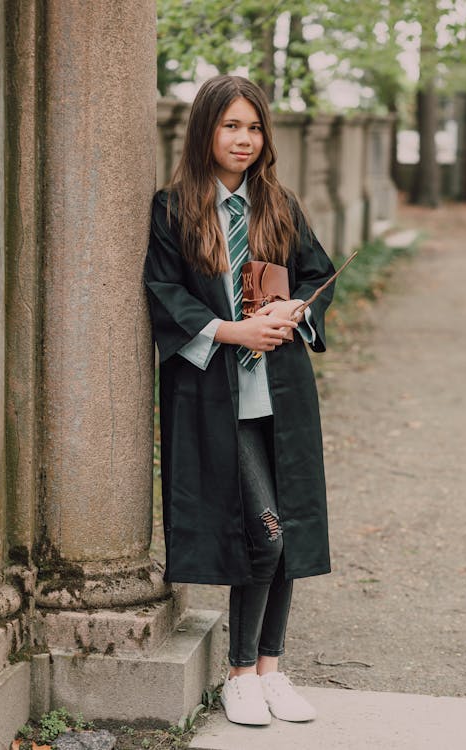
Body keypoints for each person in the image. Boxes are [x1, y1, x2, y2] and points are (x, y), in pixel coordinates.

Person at [144, 75, 335, 726]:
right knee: (267, 535)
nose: (244, 139)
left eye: (254, 127)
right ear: (205, 131)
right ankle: (237, 674)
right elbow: (163, 291)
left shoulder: (276, 205)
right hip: (214, 394)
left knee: (289, 528)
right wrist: (232, 329)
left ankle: (270, 670)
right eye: (231, 126)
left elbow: (315, 273)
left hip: (279, 395)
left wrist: (292, 308)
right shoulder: (173, 209)